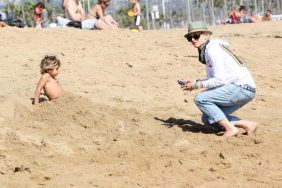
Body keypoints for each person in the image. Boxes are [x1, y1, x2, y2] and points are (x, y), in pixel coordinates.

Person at [181, 21, 257, 137]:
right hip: (244, 89)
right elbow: (215, 79)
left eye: (196, 36)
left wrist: (197, 85)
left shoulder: (212, 49)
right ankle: (247, 124)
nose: (192, 39)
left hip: (241, 88)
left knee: (200, 99)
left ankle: (230, 129)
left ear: (206, 35)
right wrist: (195, 82)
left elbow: (220, 80)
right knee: (208, 117)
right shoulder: (207, 49)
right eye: (190, 38)